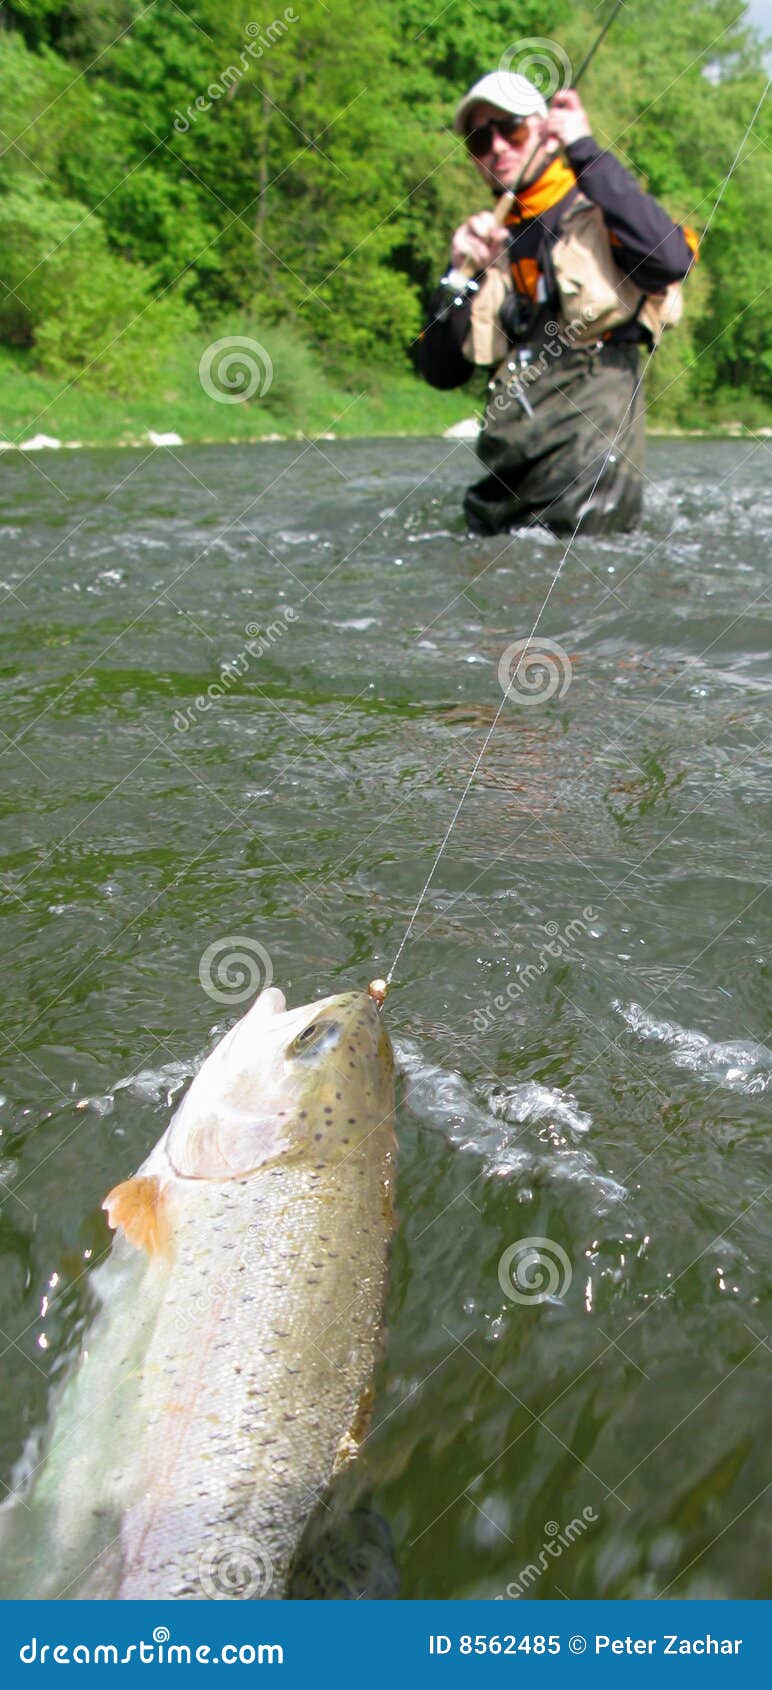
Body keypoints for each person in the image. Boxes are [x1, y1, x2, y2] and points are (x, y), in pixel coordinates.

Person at [418, 70, 696, 535]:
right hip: (508, 475)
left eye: (510, 128)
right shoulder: (486, 242)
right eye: (479, 140)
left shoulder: (602, 206)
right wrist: (455, 274)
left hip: (592, 478)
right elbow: (442, 372)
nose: (497, 148)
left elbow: (669, 260)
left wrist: (584, 147)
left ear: (546, 134)